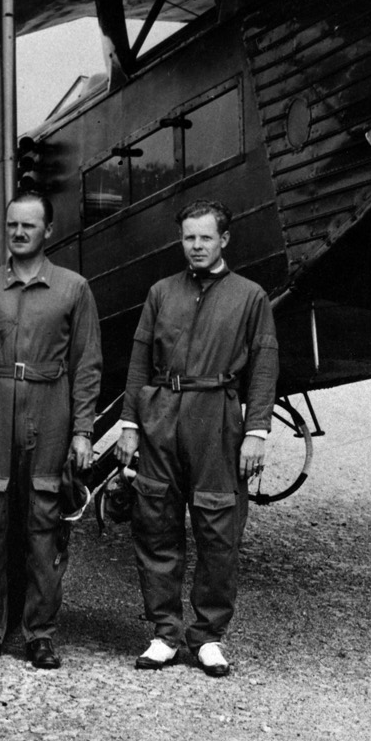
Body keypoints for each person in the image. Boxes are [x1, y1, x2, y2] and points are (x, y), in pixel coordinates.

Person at [109, 199, 277, 678]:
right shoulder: (161, 292)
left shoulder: (250, 297)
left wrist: (257, 431)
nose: (197, 246)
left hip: (218, 417)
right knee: (156, 518)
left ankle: (207, 636)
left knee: (218, 527)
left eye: (205, 237)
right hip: (161, 412)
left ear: (224, 239)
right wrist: (129, 423)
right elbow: (140, 361)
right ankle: (164, 632)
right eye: (189, 237)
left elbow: (264, 364)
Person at [0, 191, 101, 669]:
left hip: (49, 404)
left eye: (29, 226)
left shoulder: (73, 289)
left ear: (47, 230)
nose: (18, 233)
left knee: (44, 523)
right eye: (12, 224)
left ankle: (39, 634)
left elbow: (87, 364)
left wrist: (82, 431)